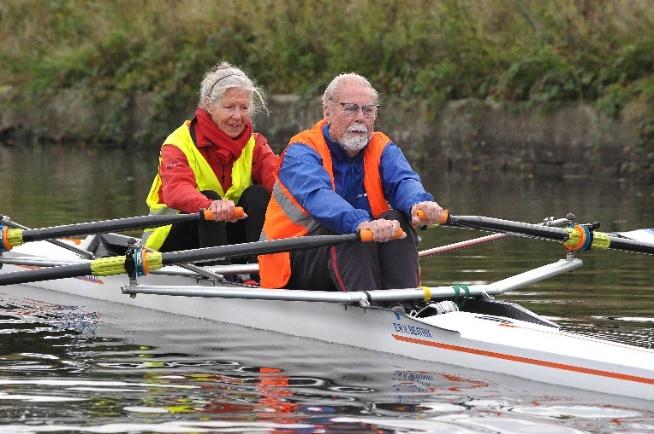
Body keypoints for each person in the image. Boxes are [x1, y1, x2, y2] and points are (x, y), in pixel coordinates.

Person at [258, 73, 442, 293]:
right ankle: (369, 313)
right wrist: (361, 223)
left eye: (368, 110)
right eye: (351, 109)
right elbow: (319, 197)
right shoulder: (300, 151)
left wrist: (419, 204)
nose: (360, 118)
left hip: (355, 257)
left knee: (396, 220)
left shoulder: (382, 147)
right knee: (352, 234)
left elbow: (404, 180)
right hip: (290, 266)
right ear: (327, 112)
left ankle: (404, 306)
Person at [142, 61, 278, 261]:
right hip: (171, 242)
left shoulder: (255, 144)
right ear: (208, 105)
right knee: (209, 200)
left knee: (259, 195)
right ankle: (218, 274)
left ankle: (255, 271)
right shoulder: (177, 144)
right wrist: (210, 205)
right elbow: (176, 191)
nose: (238, 116)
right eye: (229, 107)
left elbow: (280, 184)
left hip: (226, 234)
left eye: (244, 107)